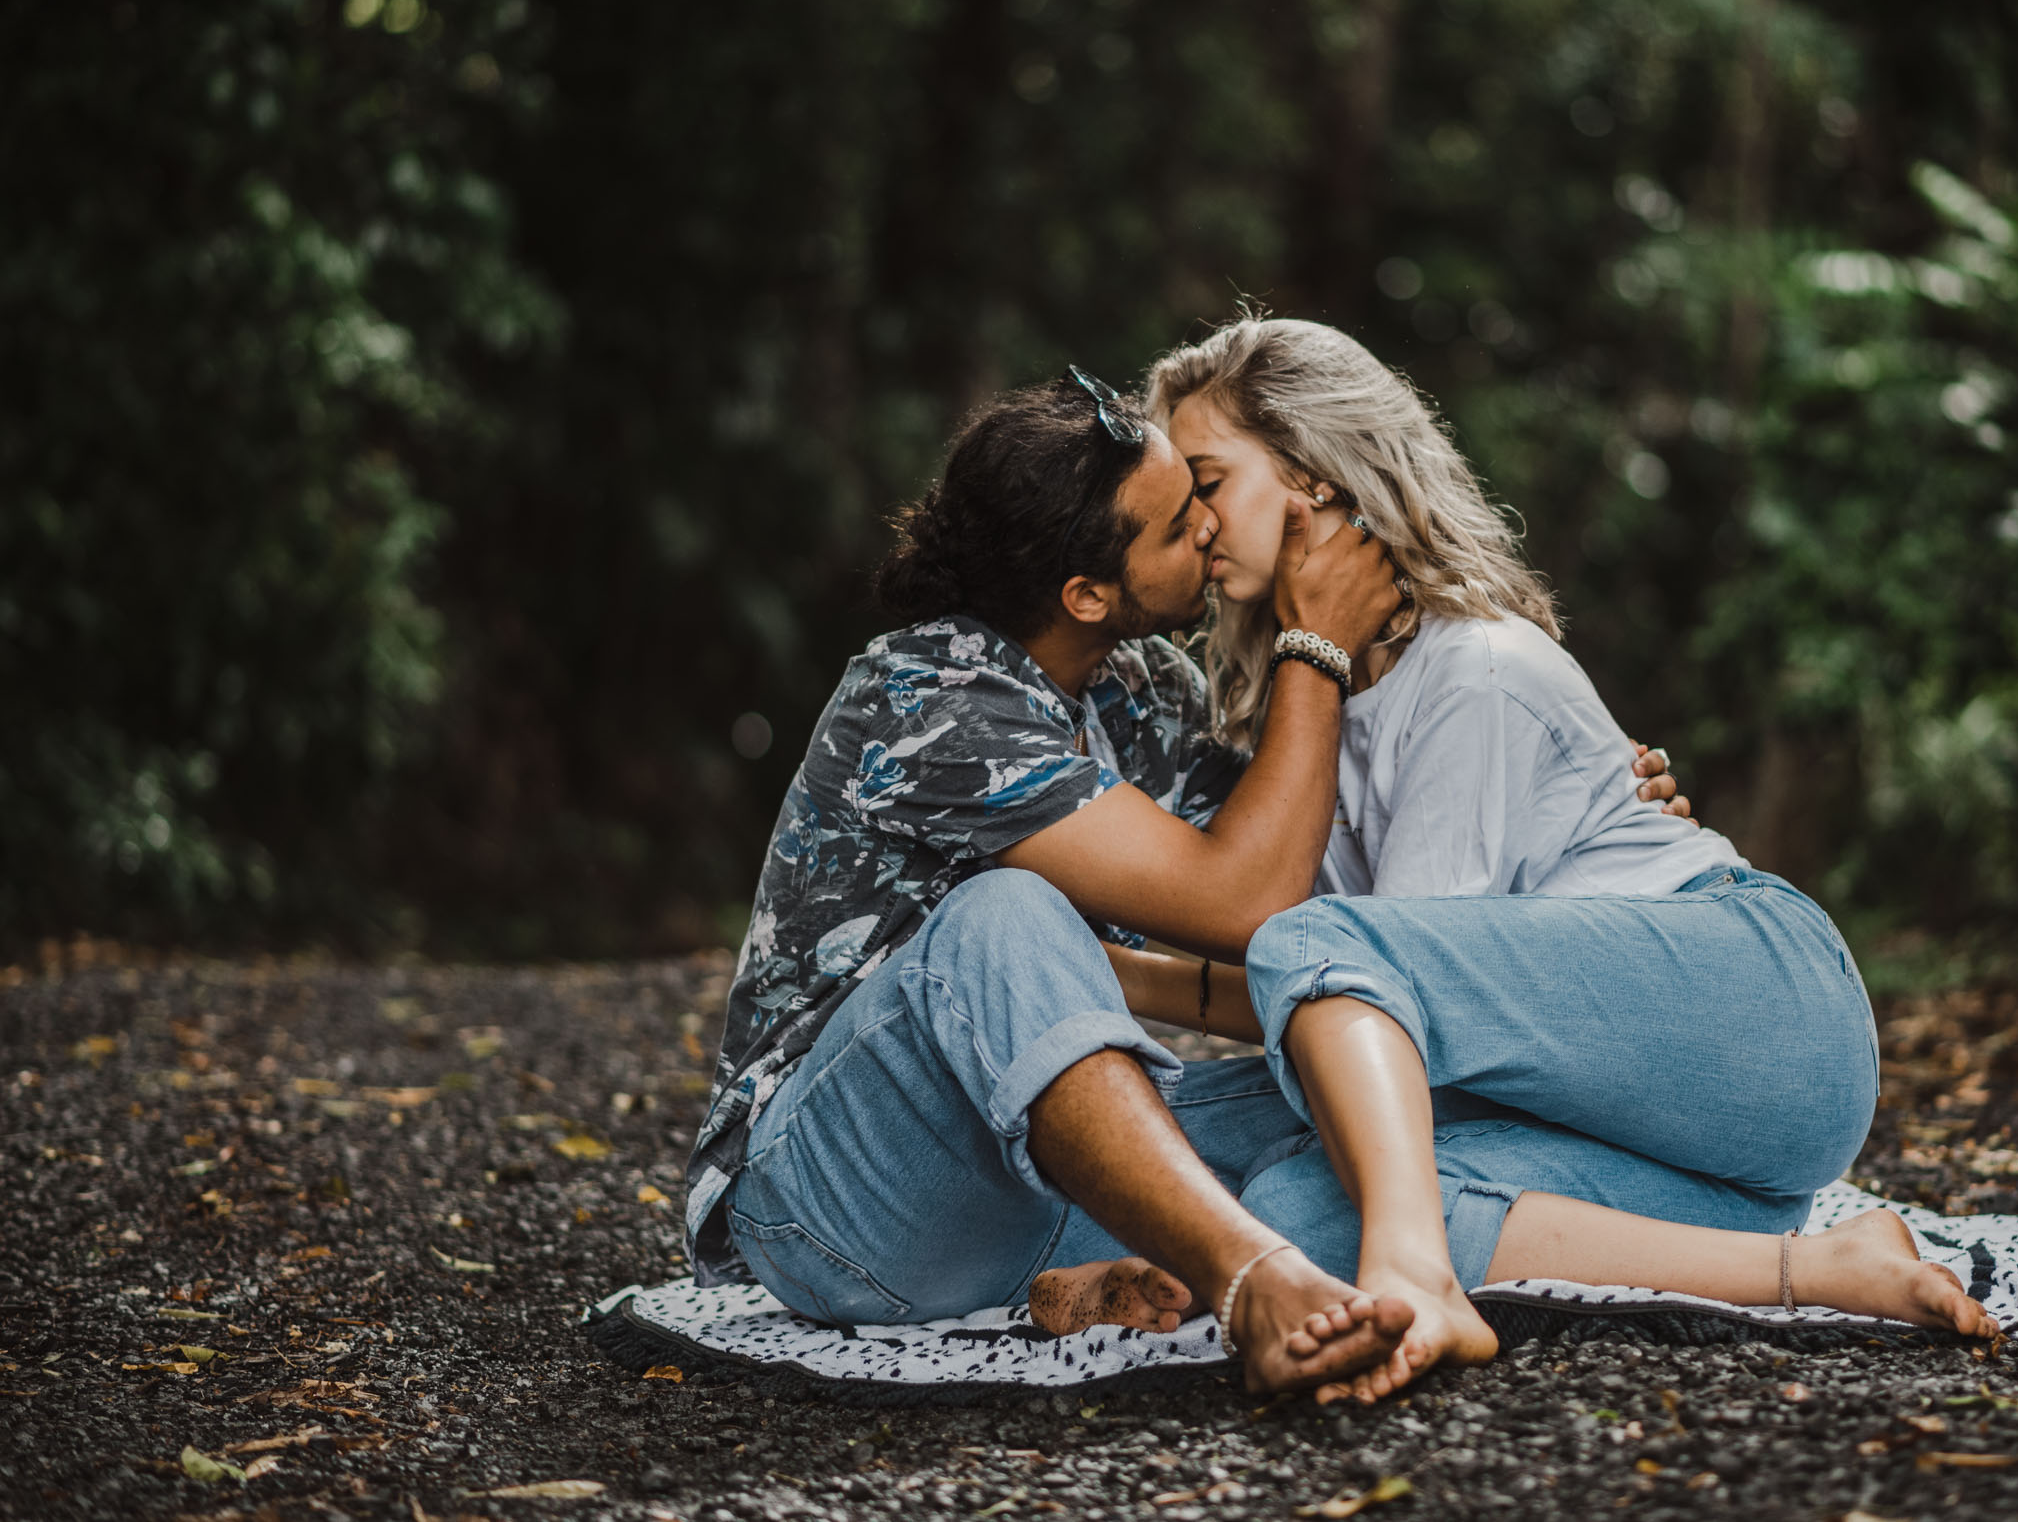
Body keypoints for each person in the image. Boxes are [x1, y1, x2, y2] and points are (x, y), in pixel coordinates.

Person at [683, 368, 1685, 1394]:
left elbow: (1322, 907)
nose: (1208, 527)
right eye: (1176, 522)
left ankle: (1071, 1283)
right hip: (835, 1198)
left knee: (1360, 1098)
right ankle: (1251, 1276)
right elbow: (1239, 900)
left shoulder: (1135, 685)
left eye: (1201, 491)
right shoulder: (929, 697)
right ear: (1087, 592)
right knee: (1002, 914)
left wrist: (1566, 797)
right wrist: (1314, 643)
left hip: (1021, 1191)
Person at [1146, 314, 1997, 1403]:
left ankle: (1421, 1267)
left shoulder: (1473, 672)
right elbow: (1327, 994)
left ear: (1311, 476)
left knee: (1344, 1064)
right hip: (1676, 1131)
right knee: (1304, 1211)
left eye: (1208, 480)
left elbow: (1375, 987)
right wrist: (1108, 978)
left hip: (1761, 1012)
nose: (1192, 521)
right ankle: (1818, 1262)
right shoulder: (1321, 718)